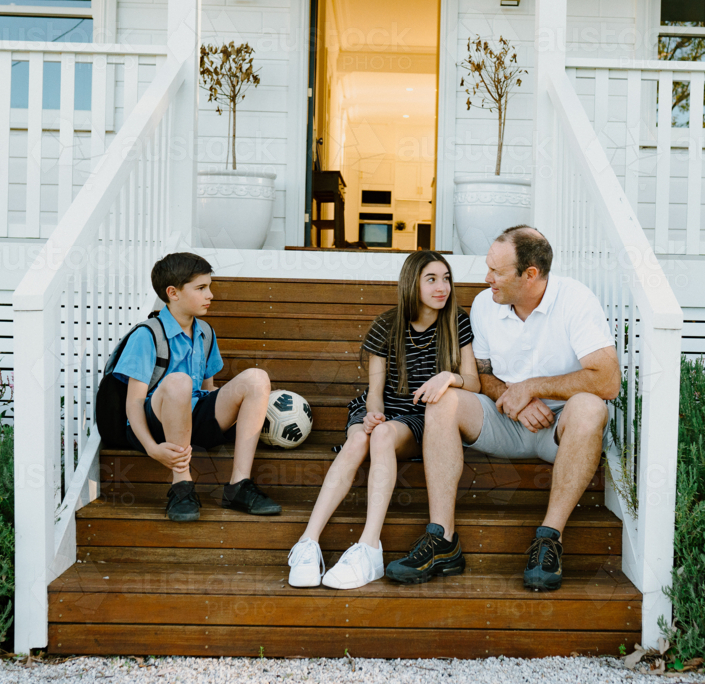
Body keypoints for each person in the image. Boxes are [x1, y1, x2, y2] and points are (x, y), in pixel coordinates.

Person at [385, 226, 620, 590]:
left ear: (530, 275)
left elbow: (607, 380)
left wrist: (530, 389)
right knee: (443, 401)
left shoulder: (575, 300)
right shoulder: (485, 305)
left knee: (590, 408)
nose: (487, 278)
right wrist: (512, 399)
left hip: (560, 427)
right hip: (504, 417)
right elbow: (482, 375)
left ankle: (549, 539)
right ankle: (442, 540)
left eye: (497, 271)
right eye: (488, 268)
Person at [287, 251, 480, 589]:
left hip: (422, 418)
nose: (442, 287)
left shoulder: (457, 322)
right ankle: (307, 542)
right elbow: (375, 390)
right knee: (362, 436)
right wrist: (373, 415)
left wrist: (449, 377)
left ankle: (369, 546)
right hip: (384, 409)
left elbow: (474, 383)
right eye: (431, 279)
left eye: (446, 278)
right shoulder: (386, 325)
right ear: (412, 284)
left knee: (382, 436)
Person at [113, 252, 280, 522]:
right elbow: (133, 404)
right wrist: (152, 449)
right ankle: (181, 486)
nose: (210, 295)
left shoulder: (205, 332)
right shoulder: (147, 335)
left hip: (195, 419)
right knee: (180, 381)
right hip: (156, 424)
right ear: (173, 293)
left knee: (256, 378)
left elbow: (209, 389)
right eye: (201, 288)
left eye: (209, 287)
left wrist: (248, 407)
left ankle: (239, 486)